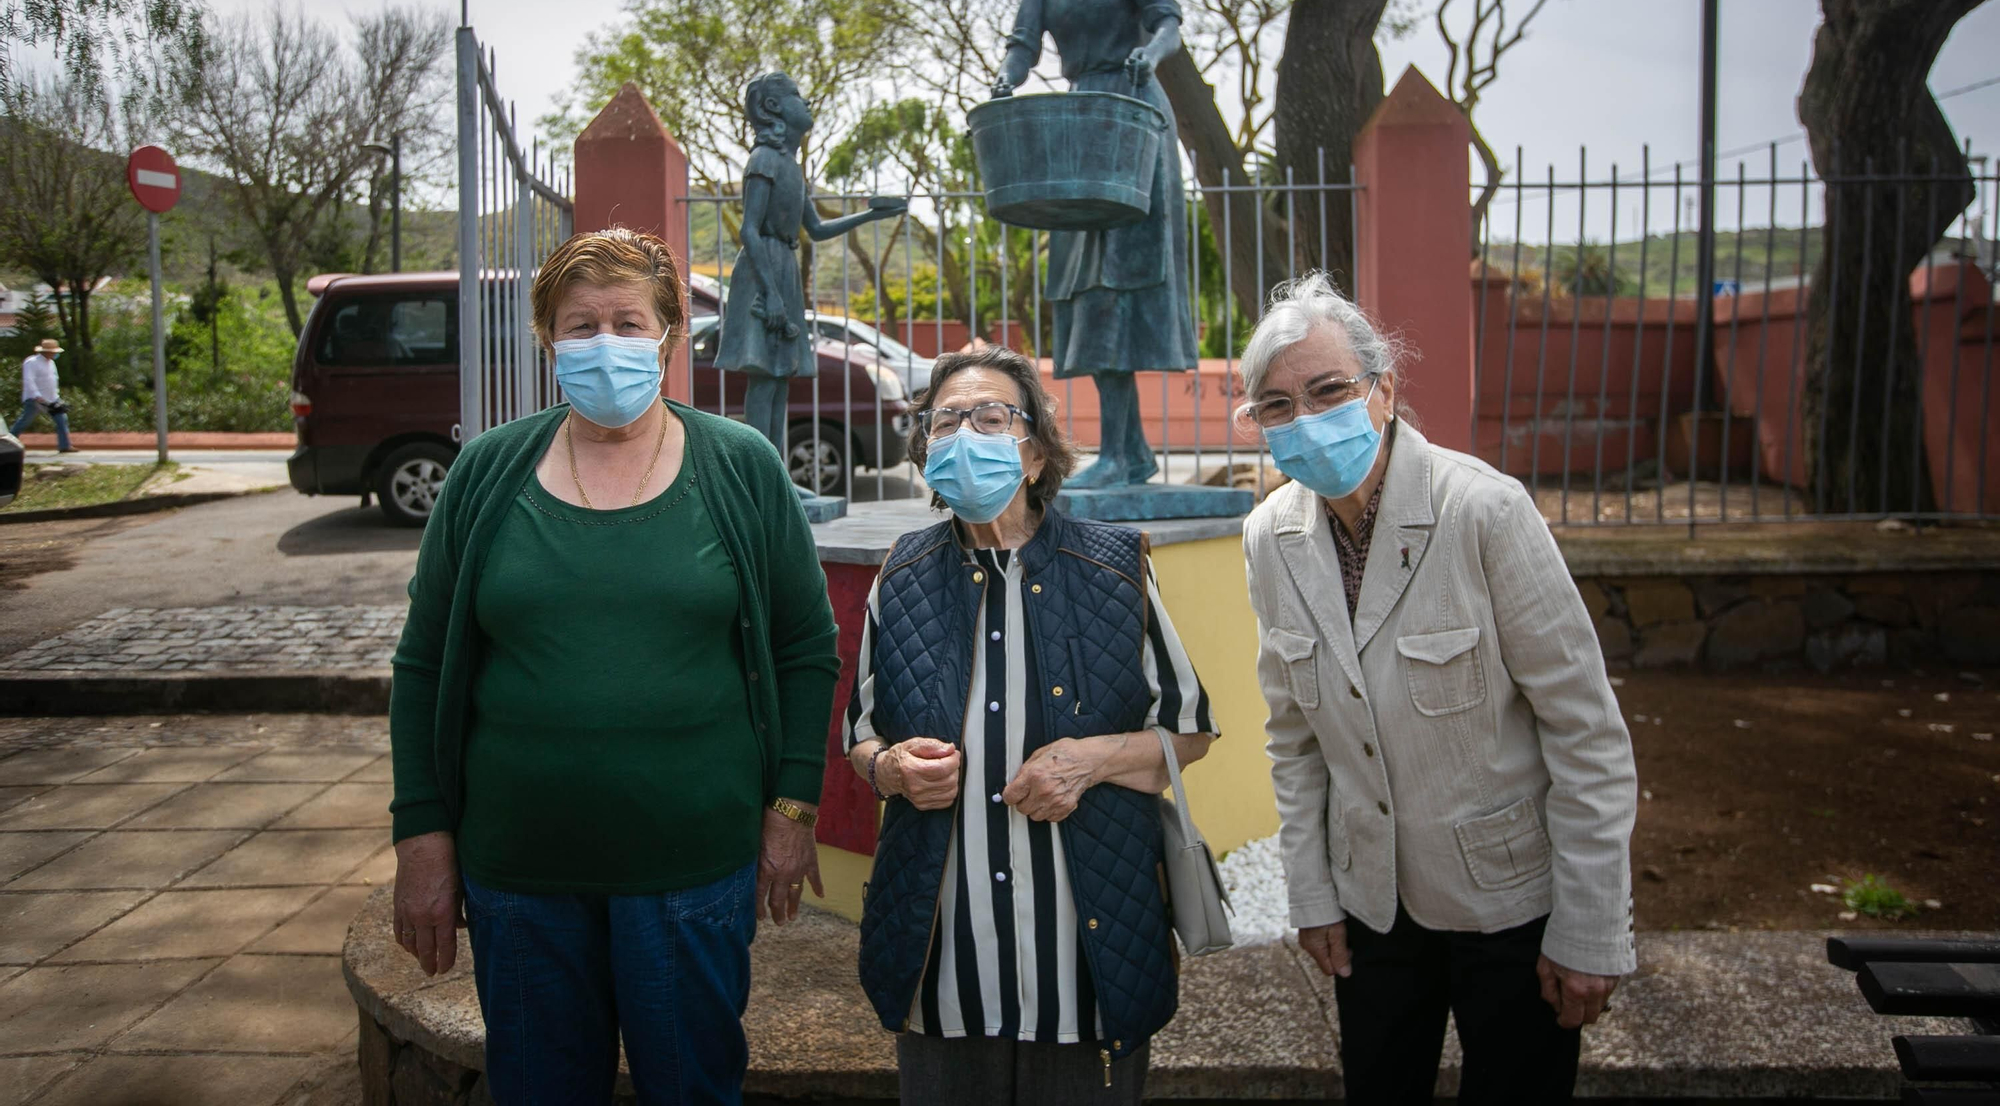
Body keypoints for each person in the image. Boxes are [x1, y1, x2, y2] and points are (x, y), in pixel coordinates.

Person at [388, 227, 841, 1106]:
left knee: (693, 1086)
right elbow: (422, 664)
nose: (605, 343)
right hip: (519, 876)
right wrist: (421, 837)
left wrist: (792, 808)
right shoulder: (486, 471)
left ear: (668, 336)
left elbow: (804, 648)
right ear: (548, 340)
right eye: (580, 324)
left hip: (692, 873)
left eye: (627, 321)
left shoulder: (740, 464)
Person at [1237, 273, 1637, 1104]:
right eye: (1276, 405)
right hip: (1370, 911)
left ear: (1383, 389)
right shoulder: (1269, 538)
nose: (1305, 420)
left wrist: (1592, 928)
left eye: (1328, 390)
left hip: (1509, 903)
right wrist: (1313, 892)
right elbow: (1294, 734)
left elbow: (1585, 731)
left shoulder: (1484, 511)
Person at [844, 346, 1220, 1104]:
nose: (963, 434)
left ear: (1036, 449)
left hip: (1088, 968)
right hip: (943, 969)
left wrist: (1091, 760)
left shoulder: (1115, 567)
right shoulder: (902, 573)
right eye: (944, 421)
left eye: (989, 416)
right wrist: (889, 768)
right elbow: (860, 734)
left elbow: (1189, 729)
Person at [991, 0, 1199, 489]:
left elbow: (1167, 20)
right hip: (1081, 124)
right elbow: (1021, 45)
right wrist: (1006, 77)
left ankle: (1126, 451)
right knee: (1091, 287)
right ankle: (1126, 451)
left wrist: (1151, 54)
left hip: (1134, 113)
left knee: (1130, 279)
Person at [714, 71, 903, 477]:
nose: (808, 103)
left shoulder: (791, 167)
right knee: (763, 378)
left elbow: (816, 230)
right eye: (798, 96)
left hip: (782, 268)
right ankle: (759, 473)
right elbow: (749, 229)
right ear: (774, 108)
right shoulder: (764, 159)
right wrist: (772, 295)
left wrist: (872, 214)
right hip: (763, 271)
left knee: (780, 377)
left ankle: (777, 474)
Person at [14, 339, 74, 453]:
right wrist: (37, 395)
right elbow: (28, 380)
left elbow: (53, 380)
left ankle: (64, 446)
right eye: (53, 352)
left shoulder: (51, 363)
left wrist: (56, 397)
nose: (55, 354)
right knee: (25, 421)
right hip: (35, 399)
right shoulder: (31, 362)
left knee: (62, 419)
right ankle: (7, 443)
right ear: (46, 352)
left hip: (51, 399)